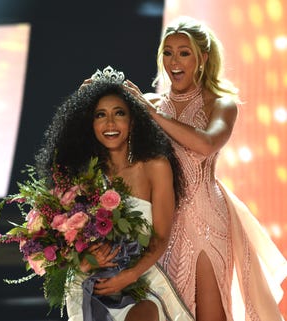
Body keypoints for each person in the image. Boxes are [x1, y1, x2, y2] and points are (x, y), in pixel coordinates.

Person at [123, 16, 287, 321]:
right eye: (168, 52)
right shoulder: (152, 103)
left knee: (210, 313)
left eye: (184, 52)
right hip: (161, 220)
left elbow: (207, 144)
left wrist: (151, 114)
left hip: (207, 217)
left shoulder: (221, 104)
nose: (174, 60)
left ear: (203, 58)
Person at [34, 66, 194, 321]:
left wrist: (128, 276)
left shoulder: (156, 166)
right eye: (100, 115)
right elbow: (59, 243)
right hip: (90, 286)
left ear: (133, 120)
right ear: (89, 123)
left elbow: (161, 237)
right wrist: (82, 263)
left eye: (119, 113)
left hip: (142, 282)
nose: (110, 123)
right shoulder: (79, 175)